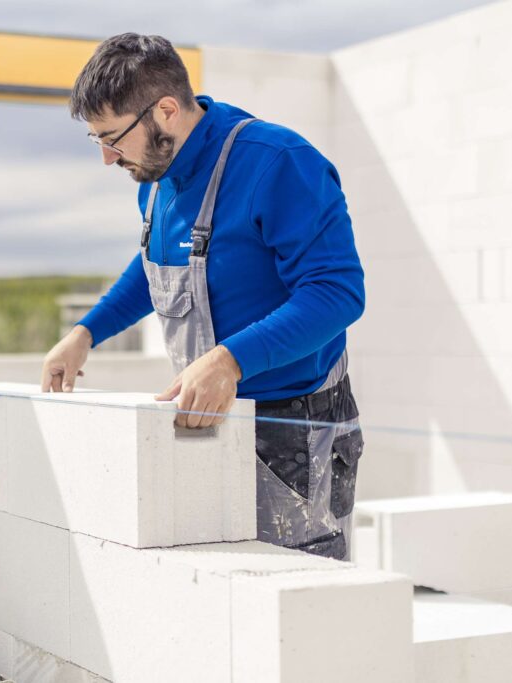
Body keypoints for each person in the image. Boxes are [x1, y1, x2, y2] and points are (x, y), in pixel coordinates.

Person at [39, 33, 366, 561]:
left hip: (296, 432)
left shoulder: (279, 164)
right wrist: (86, 332)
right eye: (96, 140)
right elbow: (155, 266)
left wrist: (230, 361)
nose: (106, 157)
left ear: (165, 111)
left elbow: (338, 293)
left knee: (298, 610)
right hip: (213, 418)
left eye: (113, 138)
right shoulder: (155, 174)